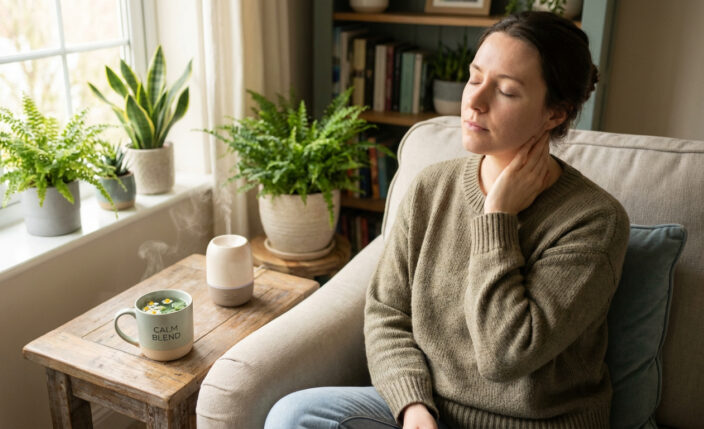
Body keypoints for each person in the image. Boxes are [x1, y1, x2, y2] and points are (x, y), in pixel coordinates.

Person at [264, 11, 629, 429]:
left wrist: (498, 218)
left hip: (535, 424)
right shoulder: (431, 188)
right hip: (430, 412)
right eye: (475, 78)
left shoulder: (594, 222)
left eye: (506, 91)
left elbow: (505, 356)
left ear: (555, 114)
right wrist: (412, 406)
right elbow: (386, 313)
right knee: (295, 416)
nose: (474, 101)